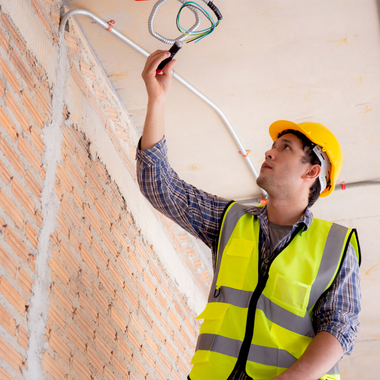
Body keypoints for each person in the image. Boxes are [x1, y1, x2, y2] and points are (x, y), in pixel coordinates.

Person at [136, 50, 361, 380]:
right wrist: (156, 100)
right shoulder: (230, 220)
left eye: (285, 147)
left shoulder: (336, 247)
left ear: (312, 171)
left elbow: (341, 327)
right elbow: (160, 186)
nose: (269, 151)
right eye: (273, 144)